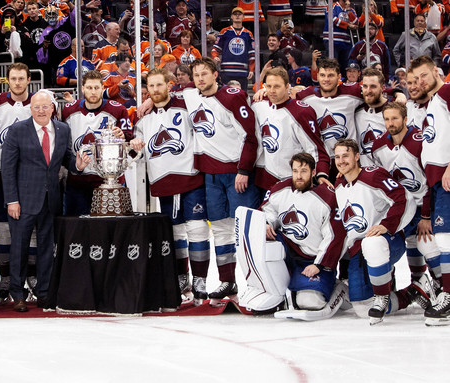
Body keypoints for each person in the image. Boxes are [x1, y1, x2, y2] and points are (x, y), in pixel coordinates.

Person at [1, 90, 91, 312]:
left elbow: (67, 158)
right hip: (22, 202)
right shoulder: (17, 130)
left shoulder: (62, 129)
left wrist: (77, 166)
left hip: (51, 200)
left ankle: (44, 293)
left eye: (45, 106)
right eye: (36, 107)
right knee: (19, 249)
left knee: (46, 249)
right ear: (30, 109)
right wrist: (12, 200)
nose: (41, 111)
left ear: (53, 107)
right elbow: (8, 168)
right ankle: (18, 294)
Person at [181, 57, 259, 303]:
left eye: (205, 73)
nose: (200, 79)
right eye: (196, 75)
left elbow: (250, 135)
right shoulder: (191, 96)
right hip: (211, 176)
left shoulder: (232, 97)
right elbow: (168, 96)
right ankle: (228, 282)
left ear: (216, 74)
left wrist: (244, 169)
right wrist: (150, 99)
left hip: (237, 174)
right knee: (222, 230)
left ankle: (258, 283)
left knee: (245, 231)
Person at [130, 68, 210, 305]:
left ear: (169, 85)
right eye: (150, 87)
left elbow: (203, 91)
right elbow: (140, 153)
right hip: (163, 181)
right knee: (174, 234)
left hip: (190, 177)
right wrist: (135, 146)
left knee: (197, 229)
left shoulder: (186, 103)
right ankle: (181, 278)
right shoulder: (143, 117)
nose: (155, 90)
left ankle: (201, 280)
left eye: (159, 85)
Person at [333, 138, 415, 324]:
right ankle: (411, 292)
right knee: (362, 309)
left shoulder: (373, 175)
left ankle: (387, 295)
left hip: (387, 240)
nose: (341, 160)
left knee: (372, 242)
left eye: (346, 155)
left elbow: (402, 198)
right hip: (359, 250)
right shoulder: (339, 184)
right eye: (337, 157)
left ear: (357, 156)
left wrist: (387, 224)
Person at [371, 102, 437, 312]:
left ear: (406, 119)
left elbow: (429, 181)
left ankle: (437, 286)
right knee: (386, 247)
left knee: (427, 244)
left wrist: (426, 215)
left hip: (423, 205)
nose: (391, 123)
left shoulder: (419, 142)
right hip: (400, 208)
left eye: (395, 118)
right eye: (387, 119)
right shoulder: (378, 146)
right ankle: (408, 288)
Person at [262, 152, 345, 314]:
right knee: (263, 238)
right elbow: (267, 209)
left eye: (304, 171)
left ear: (313, 172)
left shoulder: (327, 198)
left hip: (312, 261)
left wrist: (318, 264)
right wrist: (266, 222)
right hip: (287, 255)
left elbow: (335, 237)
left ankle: (339, 287)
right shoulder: (280, 189)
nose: (298, 176)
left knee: (309, 301)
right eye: (295, 171)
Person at [0, 62, 33, 302]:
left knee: (31, 226)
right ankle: (5, 278)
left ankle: (32, 277)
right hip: (2, 175)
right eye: (13, 78)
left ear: (28, 80)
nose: (17, 83)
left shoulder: (38, 104)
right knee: (3, 227)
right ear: (8, 80)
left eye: (21, 78)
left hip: (30, 176)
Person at [61, 70, 130, 216]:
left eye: (97, 88)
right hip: (78, 182)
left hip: (109, 181)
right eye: (89, 88)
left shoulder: (118, 109)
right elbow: (64, 145)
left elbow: (130, 139)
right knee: (77, 230)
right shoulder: (68, 110)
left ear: (102, 88)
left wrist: (123, 136)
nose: (93, 92)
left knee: (111, 229)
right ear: (82, 88)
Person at [252, 67, 330, 192]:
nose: (272, 90)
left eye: (277, 86)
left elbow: (315, 147)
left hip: (291, 181)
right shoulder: (258, 104)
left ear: (287, 86)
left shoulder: (301, 112)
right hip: (263, 180)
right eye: (269, 86)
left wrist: (321, 173)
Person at [415, 54, 450, 324]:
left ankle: (448, 295)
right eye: (415, 79)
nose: (420, 81)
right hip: (437, 182)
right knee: (442, 239)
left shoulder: (447, 92)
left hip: (446, 178)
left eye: (424, 75)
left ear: (436, 72)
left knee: (446, 239)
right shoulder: (433, 103)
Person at [211, 7, 255, 89]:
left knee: (242, 97)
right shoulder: (225, 31)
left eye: (239, 14)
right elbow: (216, 48)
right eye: (235, 14)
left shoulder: (248, 34)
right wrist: (215, 56)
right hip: (226, 71)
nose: (237, 16)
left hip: (242, 71)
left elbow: (252, 53)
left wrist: (251, 69)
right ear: (231, 16)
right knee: (226, 96)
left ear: (243, 17)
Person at [354, 68, 389, 167]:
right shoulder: (356, 111)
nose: (368, 91)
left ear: (382, 88)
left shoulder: (393, 111)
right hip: (365, 175)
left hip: (389, 173)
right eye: (365, 86)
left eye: (373, 86)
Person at [323, 0, 358, 75]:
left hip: (346, 42)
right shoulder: (332, 6)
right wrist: (348, 25)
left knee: (345, 66)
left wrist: (348, 11)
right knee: (333, 66)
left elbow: (356, 23)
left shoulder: (351, 10)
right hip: (333, 40)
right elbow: (332, 19)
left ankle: (344, 83)